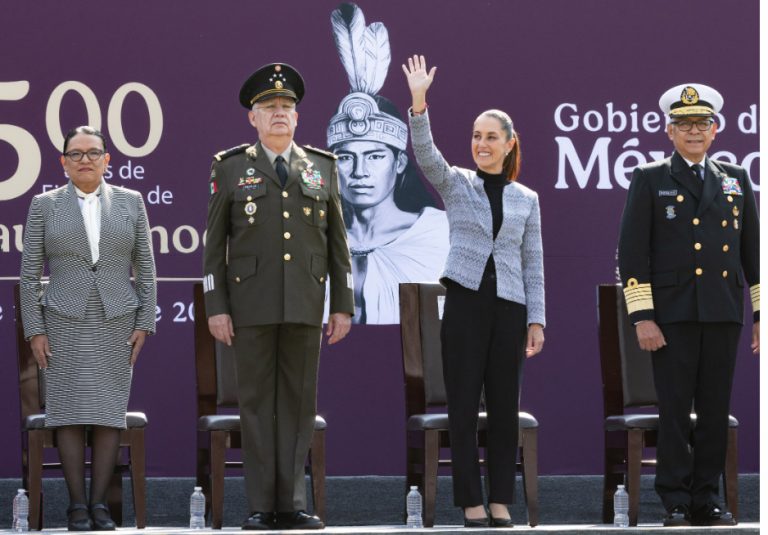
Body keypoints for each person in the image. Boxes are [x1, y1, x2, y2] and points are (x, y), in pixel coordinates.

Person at [202, 63, 354, 531]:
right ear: (253, 118)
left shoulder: (322, 167)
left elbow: (338, 244)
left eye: (287, 106)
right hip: (250, 306)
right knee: (255, 406)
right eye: (269, 107)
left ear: (298, 116)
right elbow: (214, 247)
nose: (279, 113)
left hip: (305, 303)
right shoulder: (230, 167)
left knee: (298, 405)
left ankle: (291, 504)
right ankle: (260, 506)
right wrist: (216, 307)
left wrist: (343, 304)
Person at [403, 55, 545, 528]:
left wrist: (537, 319)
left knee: (504, 408)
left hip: (510, 309)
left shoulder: (527, 199)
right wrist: (419, 104)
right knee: (463, 406)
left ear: (509, 144)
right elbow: (427, 156)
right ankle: (471, 502)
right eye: (476, 136)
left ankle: (501, 499)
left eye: (490, 137)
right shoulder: (458, 182)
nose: (481, 144)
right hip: (464, 303)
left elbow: (533, 263)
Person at [618, 83, 759, 527]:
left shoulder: (736, 178)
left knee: (714, 410)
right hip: (672, 315)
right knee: (676, 410)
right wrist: (643, 317)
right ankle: (676, 500)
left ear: (715, 130)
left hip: (722, 312)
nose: (694, 131)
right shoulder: (650, 177)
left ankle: (708, 500)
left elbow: (753, 253)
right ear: (669, 131)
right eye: (684, 124)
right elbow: (632, 254)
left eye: (702, 123)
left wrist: (760, 314)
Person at [19, 126, 156, 531]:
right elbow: (29, 275)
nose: (85, 160)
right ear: (63, 162)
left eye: (93, 152)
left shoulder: (131, 202)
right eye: (75, 154)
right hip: (61, 320)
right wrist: (35, 329)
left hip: (117, 320)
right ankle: (76, 506)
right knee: (68, 412)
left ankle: (100, 507)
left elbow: (146, 269)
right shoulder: (44, 205)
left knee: (108, 412)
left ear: (107, 160)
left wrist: (145, 322)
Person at [327, 2, 449, 324]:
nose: (360, 172)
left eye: (375, 156)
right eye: (346, 157)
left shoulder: (440, 234)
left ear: (399, 163)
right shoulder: (311, 238)